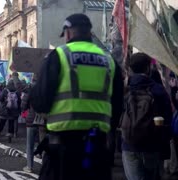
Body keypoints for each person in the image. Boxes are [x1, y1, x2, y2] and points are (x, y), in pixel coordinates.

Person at [30, 13, 124, 180]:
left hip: (63, 148)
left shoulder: (59, 55)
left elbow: (40, 102)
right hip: (97, 147)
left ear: (67, 32)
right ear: (89, 32)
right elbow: (117, 105)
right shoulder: (108, 59)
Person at [120, 53, 172, 180]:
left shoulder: (125, 90)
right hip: (152, 146)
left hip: (129, 145)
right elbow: (168, 118)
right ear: (148, 68)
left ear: (130, 69)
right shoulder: (158, 90)